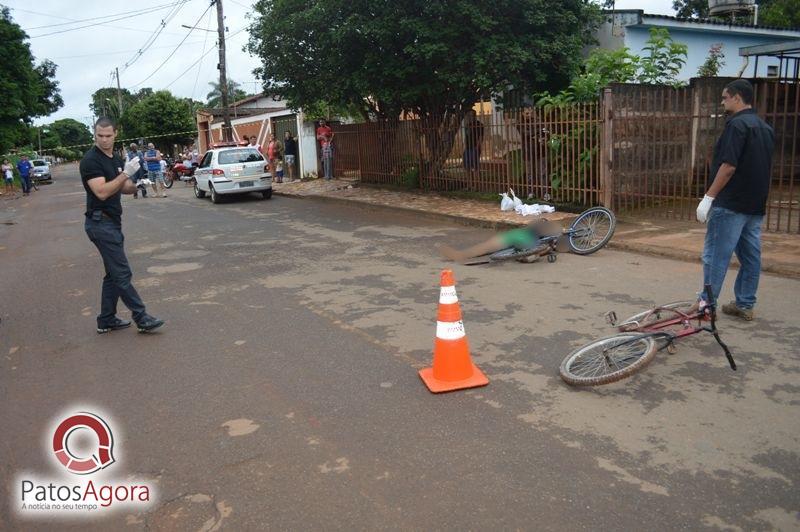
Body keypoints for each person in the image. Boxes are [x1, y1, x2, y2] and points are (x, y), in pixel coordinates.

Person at [694, 79, 775, 321]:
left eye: (725, 97)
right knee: (751, 257)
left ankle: (707, 304)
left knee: (715, 255)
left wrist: (709, 197)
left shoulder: (736, 126)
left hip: (731, 204)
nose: (722, 101)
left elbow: (728, 166)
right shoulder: (765, 129)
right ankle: (745, 304)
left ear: (737, 97)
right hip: (754, 205)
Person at [80, 117, 164, 334]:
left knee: (113, 274)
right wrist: (125, 173)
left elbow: (122, 187)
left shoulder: (114, 157)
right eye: (100, 135)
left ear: (116, 133)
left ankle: (106, 319)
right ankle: (141, 316)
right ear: (94, 133)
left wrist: (137, 184)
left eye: (108, 135)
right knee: (122, 273)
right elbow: (101, 191)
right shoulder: (91, 160)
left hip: (112, 223)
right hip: (100, 224)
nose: (104, 140)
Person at [440, 219, 563, 262]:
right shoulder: (527, 231)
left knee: (531, 257)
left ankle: (522, 256)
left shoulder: (551, 239)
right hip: (519, 236)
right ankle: (460, 255)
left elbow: (561, 245)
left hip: (529, 243)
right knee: (487, 246)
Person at [463, 110, 484, 180]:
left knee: (475, 167)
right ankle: (470, 184)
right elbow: (466, 137)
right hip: (467, 148)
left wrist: (477, 147)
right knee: (467, 167)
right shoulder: (468, 125)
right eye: (468, 115)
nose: (469, 117)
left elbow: (480, 137)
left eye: (471, 115)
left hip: (475, 148)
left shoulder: (479, 125)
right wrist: (465, 147)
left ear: (474, 116)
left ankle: (477, 184)